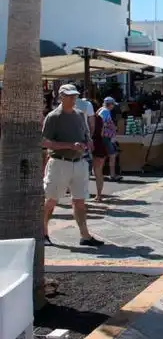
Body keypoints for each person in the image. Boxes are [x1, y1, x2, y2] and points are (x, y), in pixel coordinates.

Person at [42, 84, 104, 247]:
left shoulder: (79, 115)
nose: (73, 98)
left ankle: (85, 235)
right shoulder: (53, 117)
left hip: (80, 162)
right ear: (61, 96)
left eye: (74, 96)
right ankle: (43, 233)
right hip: (59, 163)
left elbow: (86, 134)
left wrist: (88, 142)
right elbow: (45, 142)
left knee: (79, 201)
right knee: (51, 200)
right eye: (69, 96)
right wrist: (69, 145)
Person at [96, 97, 122, 181]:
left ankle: (98, 173)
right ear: (110, 104)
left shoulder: (103, 110)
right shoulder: (105, 111)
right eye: (113, 104)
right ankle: (112, 175)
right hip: (105, 137)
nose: (113, 106)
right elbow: (101, 122)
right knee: (112, 155)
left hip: (104, 137)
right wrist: (111, 127)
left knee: (104, 155)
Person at [89, 100, 109, 202]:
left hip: (89, 145)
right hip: (100, 145)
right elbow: (101, 133)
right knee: (98, 172)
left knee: (84, 172)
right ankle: (99, 195)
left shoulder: (84, 118)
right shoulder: (100, 119)